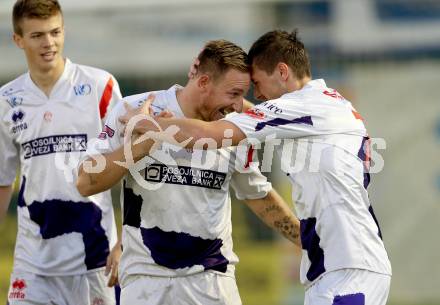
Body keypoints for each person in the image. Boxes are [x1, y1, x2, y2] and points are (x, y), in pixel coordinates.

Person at [121, 30, 392, 305]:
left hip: (347, 267)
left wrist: (147, 124)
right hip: (340, 263)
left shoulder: (303, 106)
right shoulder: (323, 104)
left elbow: (212, 135)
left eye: (258, 83)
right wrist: (212, 73)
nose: (258, 95)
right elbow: (253, 116)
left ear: (283, 72)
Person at [77, 39, 301, 305]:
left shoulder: (235, 129)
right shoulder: (132, 110)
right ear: (204, 82)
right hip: (146, 283)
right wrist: (143, 144)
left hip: (213, 281)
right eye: (233, 94)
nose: (239, 105)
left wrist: (308, 241)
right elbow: (85, 182)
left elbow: (257, 195)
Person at [0, 1, 123, 304]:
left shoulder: (100, 86)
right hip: (33, 265)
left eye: (55, 32)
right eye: (37, 35)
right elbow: (3, 181)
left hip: (97, 259)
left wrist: (127, 239)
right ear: (18, 40)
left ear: (64, 31)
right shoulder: (6, 100)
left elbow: (130, 164)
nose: (49, 43)